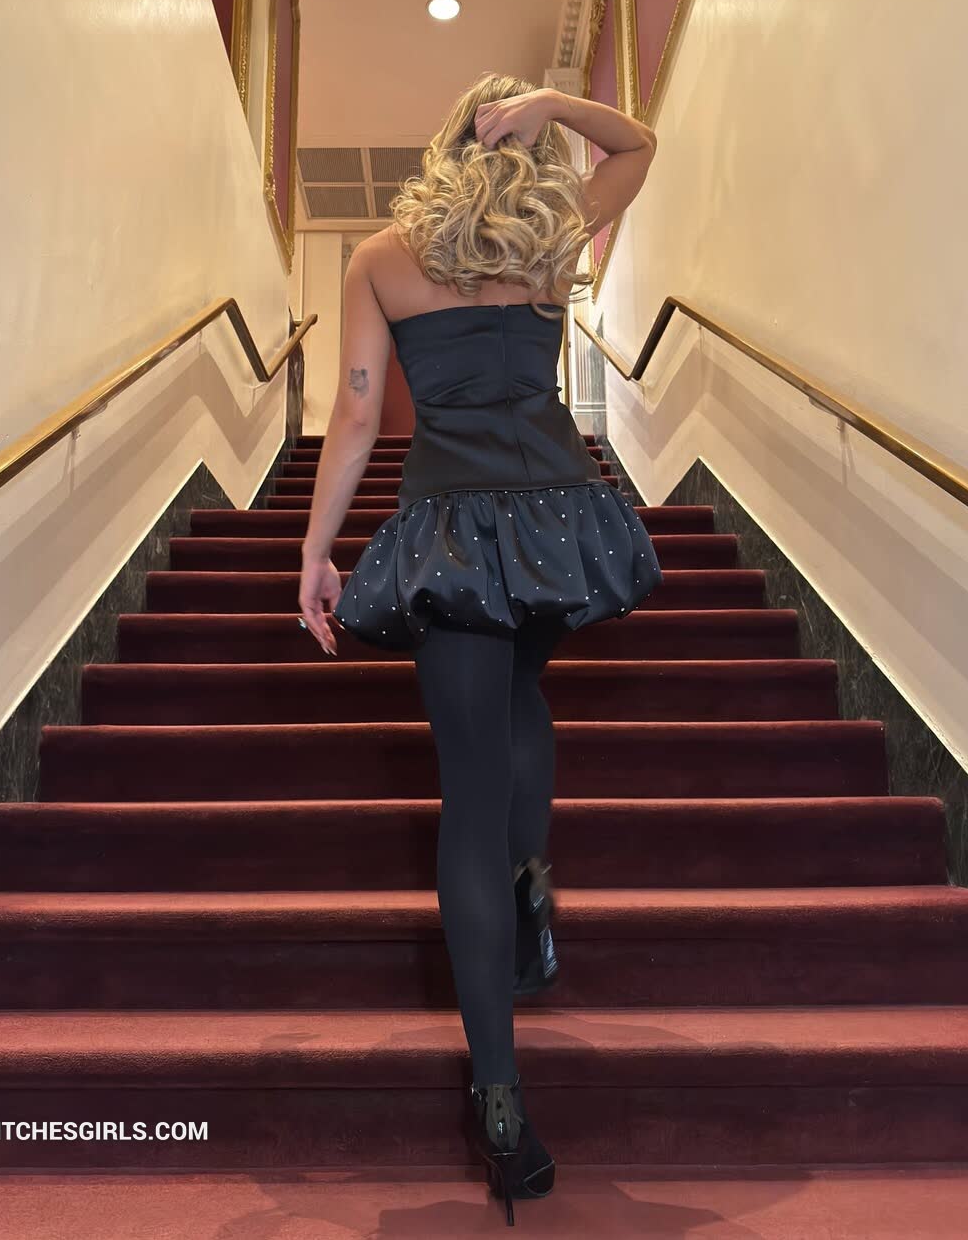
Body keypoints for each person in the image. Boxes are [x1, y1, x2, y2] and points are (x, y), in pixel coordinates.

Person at [296, 72, 658, 1225]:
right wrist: (559, 104)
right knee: (521, 696)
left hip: (450, 527)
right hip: (559, 515)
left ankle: (501, 1105)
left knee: (468, 792)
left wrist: (317, 550)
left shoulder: (380, 258)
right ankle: (531, 878)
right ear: (523, 144)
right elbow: (639, 145)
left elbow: (357, 413)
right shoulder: (549, 237)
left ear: (444, 144)